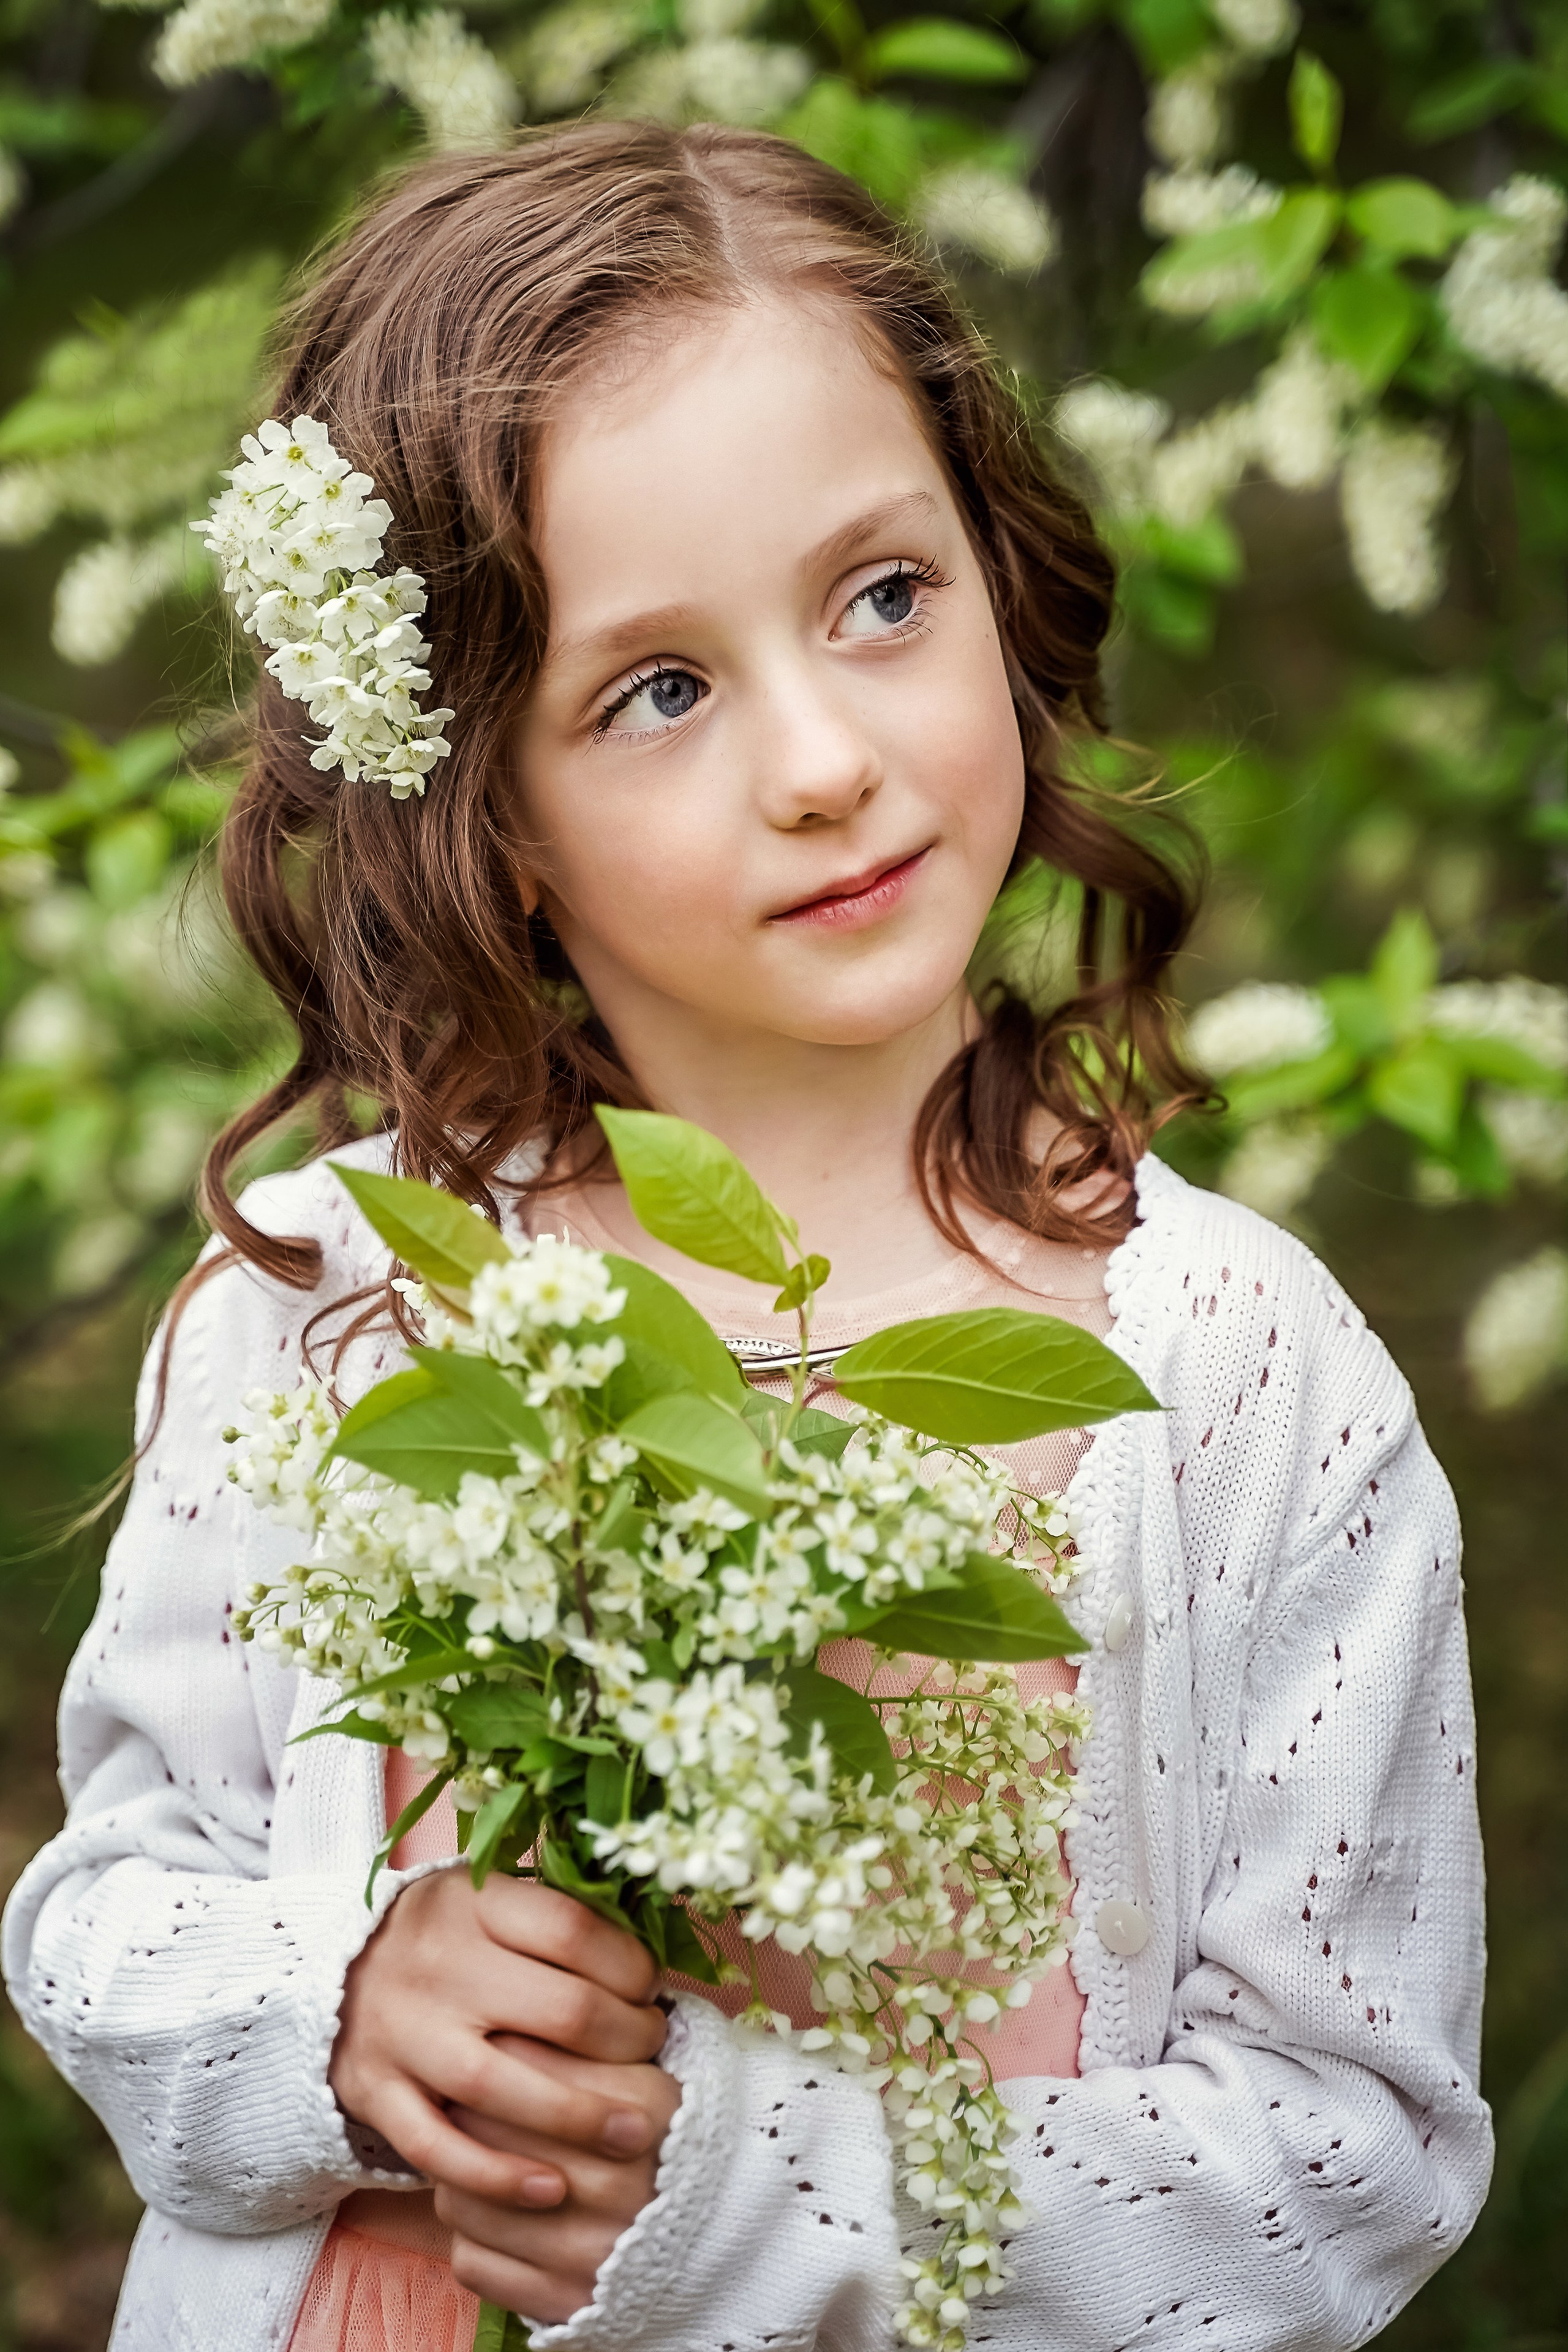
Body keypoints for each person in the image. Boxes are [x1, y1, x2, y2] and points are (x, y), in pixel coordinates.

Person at [2, 119, 1490, 2352]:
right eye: (661, 691)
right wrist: (339, 2002)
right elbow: (110, 1913)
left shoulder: (1236, 1381)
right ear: (487, 809)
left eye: (882, 596)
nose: (822, 760)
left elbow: (1346, 2162)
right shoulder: (337, 1302)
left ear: (996, 570)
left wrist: (745, 2189)